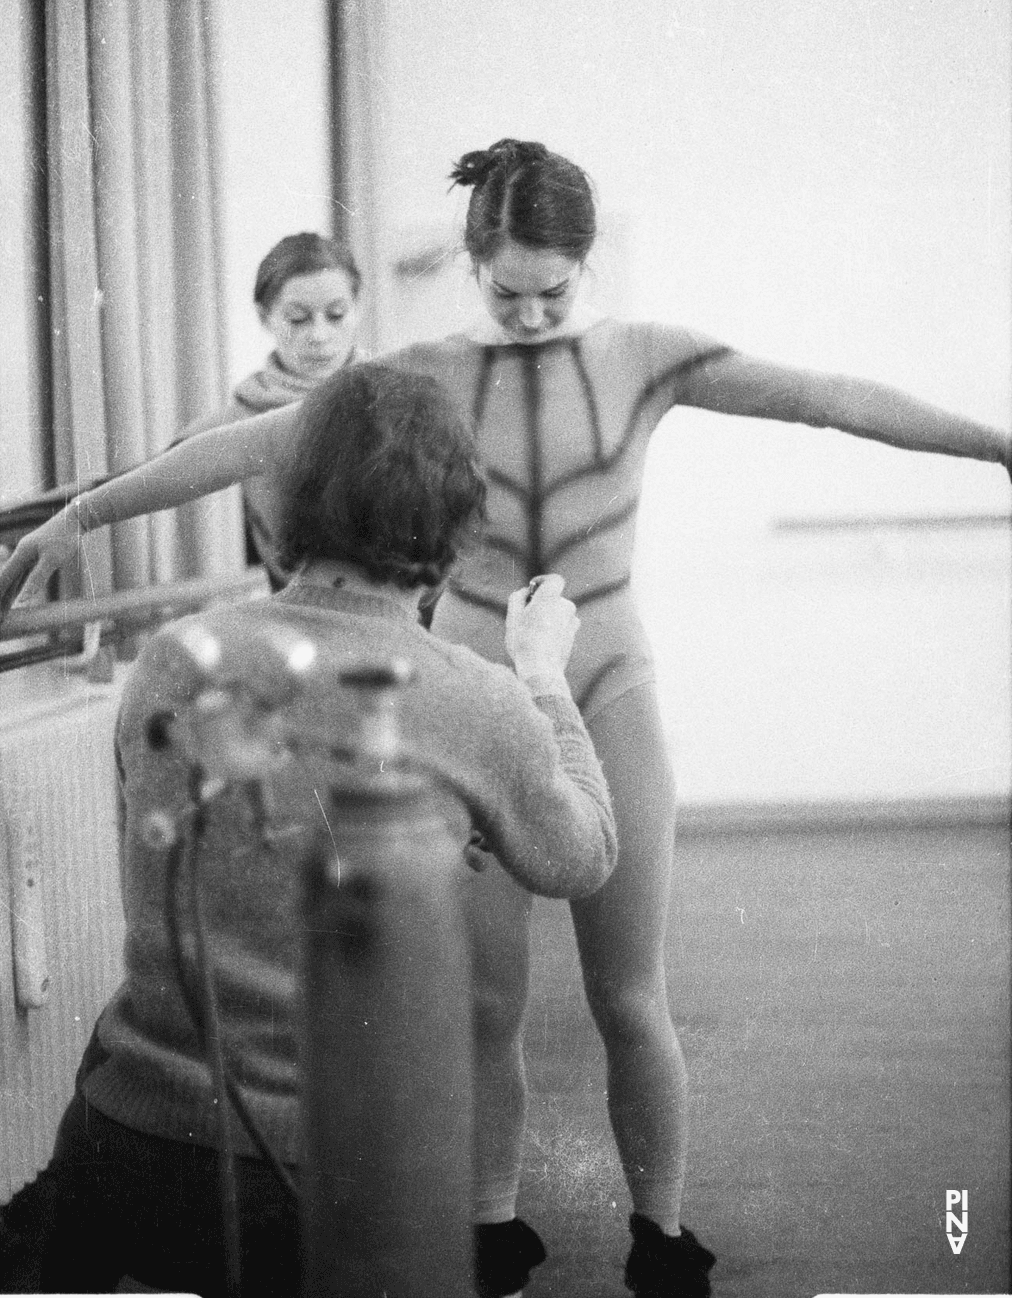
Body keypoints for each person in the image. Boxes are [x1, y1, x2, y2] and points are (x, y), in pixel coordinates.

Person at [2, 139, 1010, 1298]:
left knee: (631, 993)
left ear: (587, 268)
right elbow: (251, 443)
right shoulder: (422, 373)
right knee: (482, 1002)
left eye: (555, 290)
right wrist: (83, 513)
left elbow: (827, 400)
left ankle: (661, 1232)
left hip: (604, 673)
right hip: (474, 681)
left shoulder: (648, 358)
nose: (531, 313)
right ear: (471, 265)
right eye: (506, 290)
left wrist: (992, 442)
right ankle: (487, 1227)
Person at [0, 362, 615, 1298]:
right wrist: (544, 677)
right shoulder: (477, 699)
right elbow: (583, 856)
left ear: (292, 505)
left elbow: (226, 842)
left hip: (128, 1147)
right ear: (453, 530)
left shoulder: (174, 658)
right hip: (322, 1183)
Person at [178, 230, 362, 589]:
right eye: (298, 318)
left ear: (358, 308)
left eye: (336, 315)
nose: (319, 335)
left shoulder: (398, 397)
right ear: (265, 318)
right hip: (294, 612)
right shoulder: (239, 419)